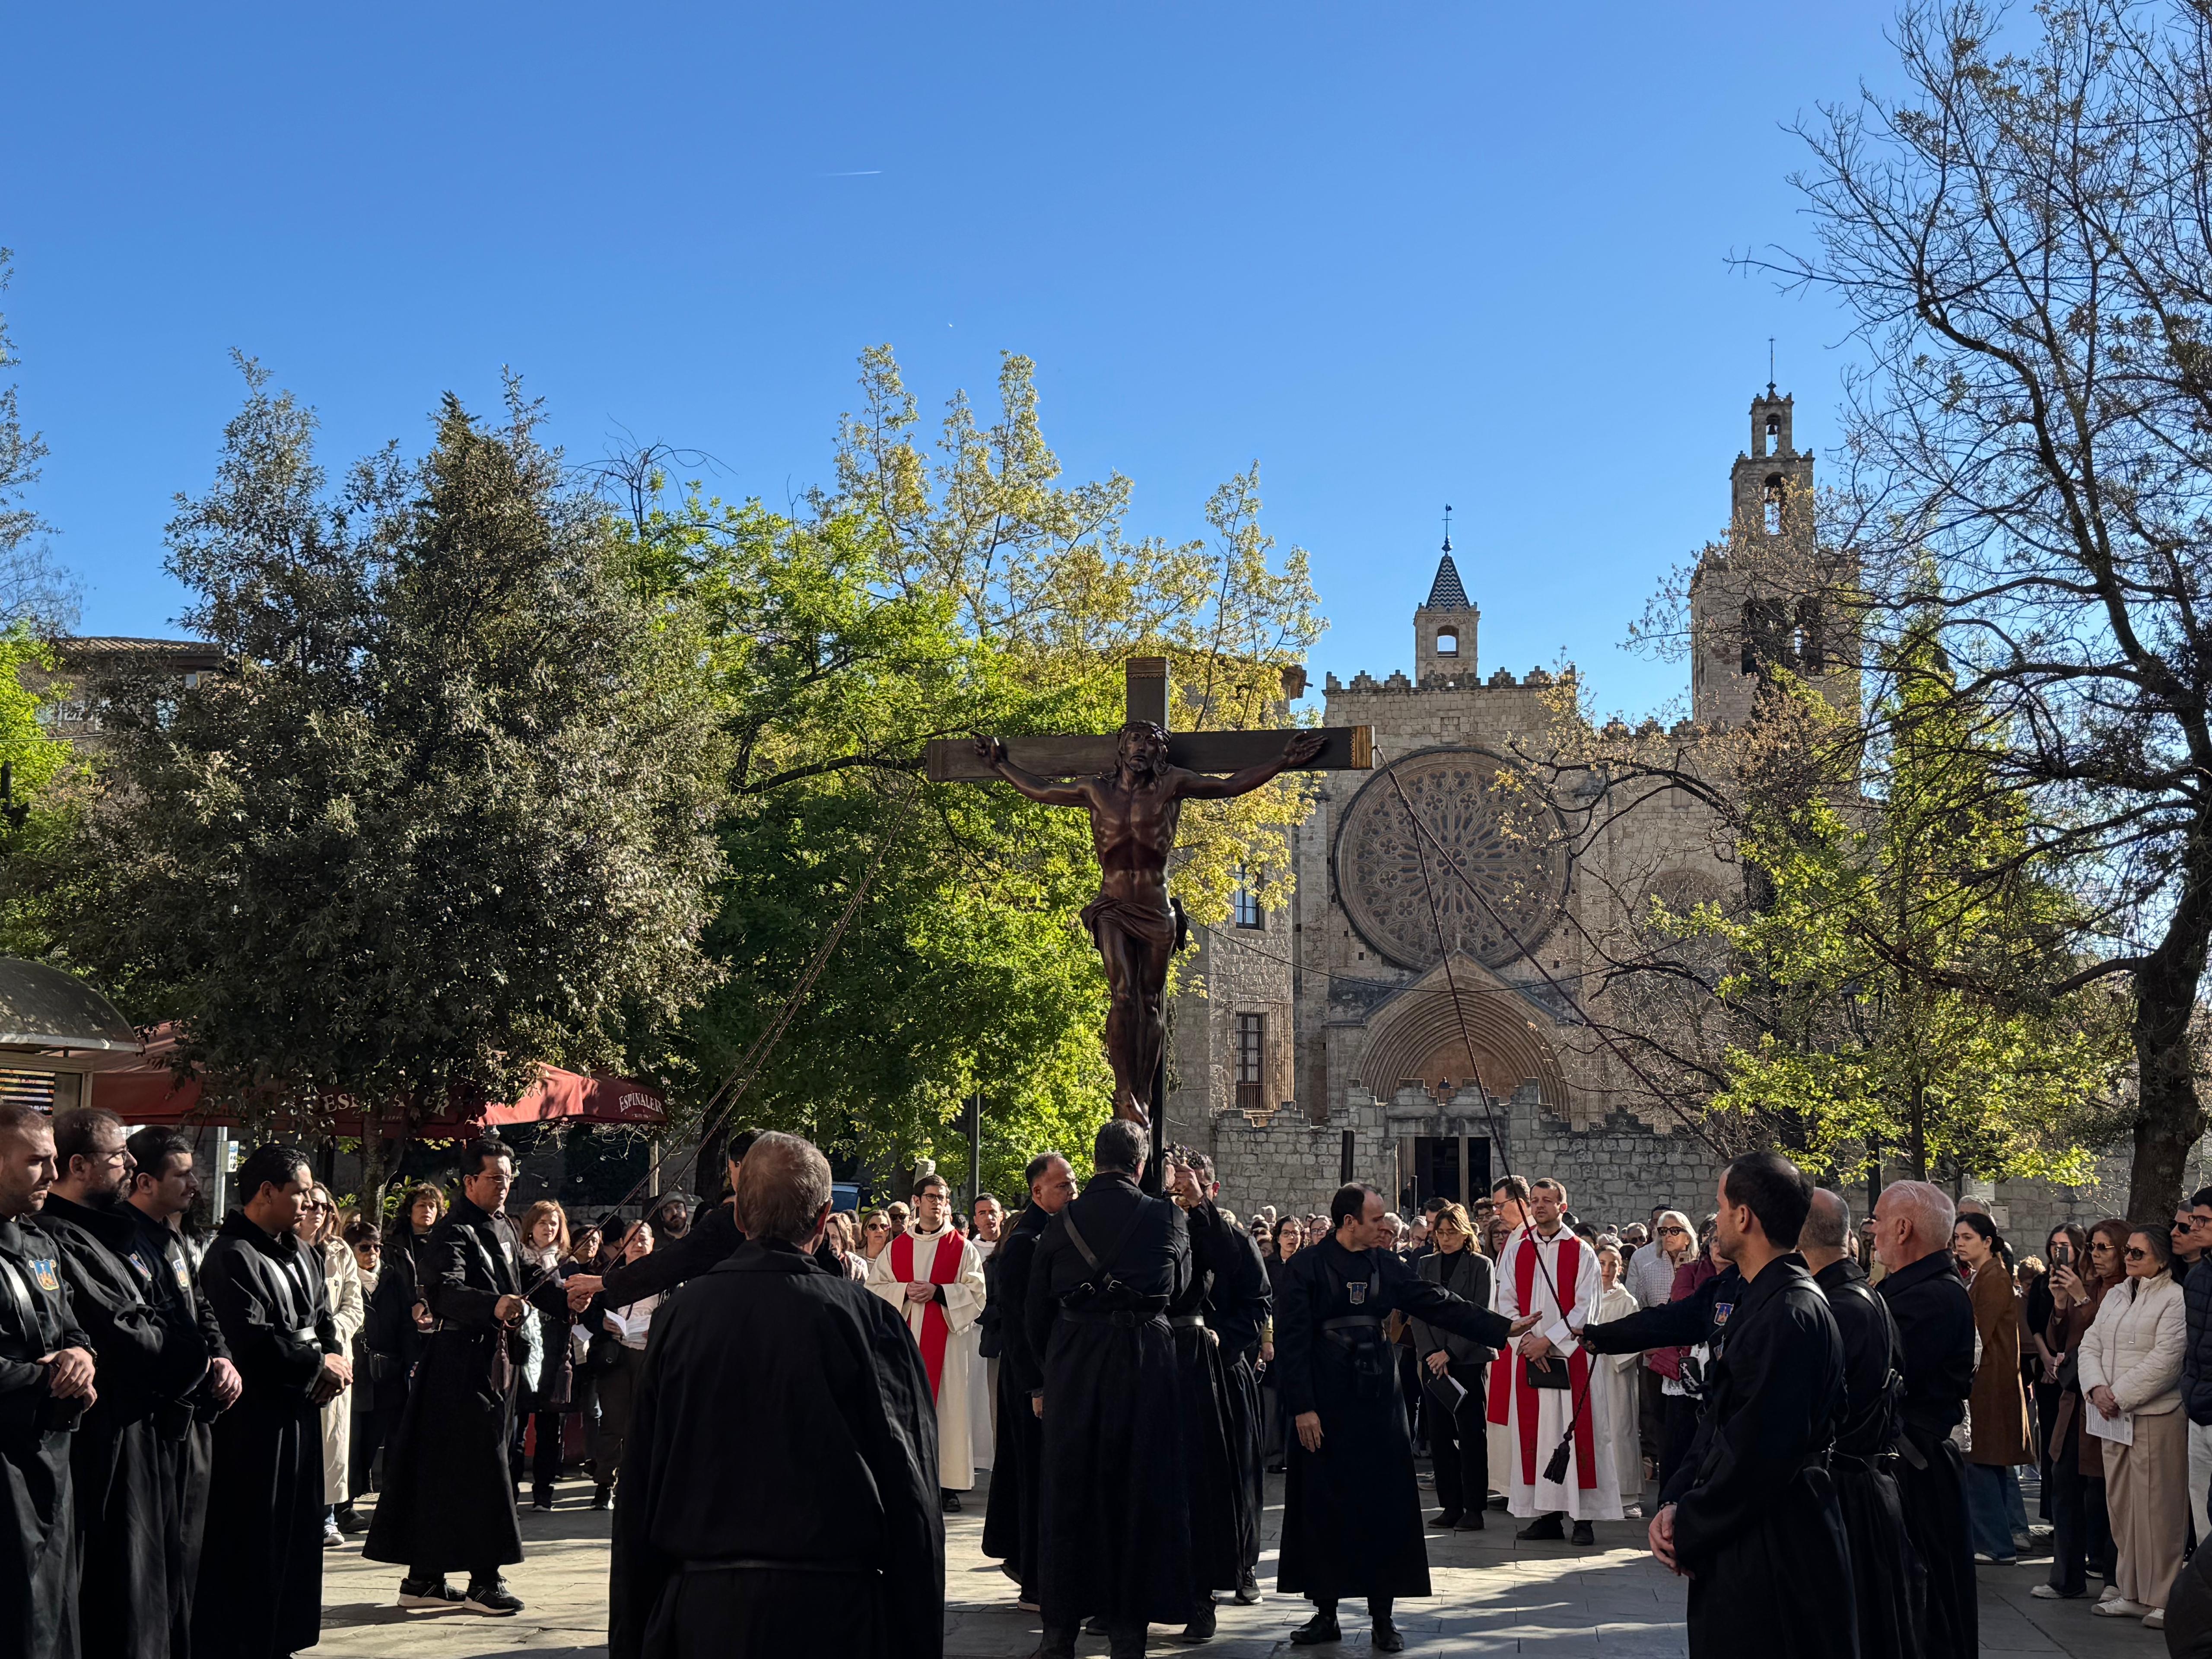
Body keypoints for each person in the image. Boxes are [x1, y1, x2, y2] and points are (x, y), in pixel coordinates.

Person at [607, 1131, 941, 1659]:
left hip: (706, 1615)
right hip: (834, 1617)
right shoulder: (868, 1320)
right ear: (823, 1217)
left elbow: (639, 1487)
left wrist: (631, 1637)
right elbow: (912, 1491)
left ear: (740, 1216)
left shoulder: (680, 1318)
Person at [1275, 1182, 1528, 1653]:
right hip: (1325, 1397)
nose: (1383, 1228)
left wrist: (1500, 1328)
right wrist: (1303, 1407)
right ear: (1349, 1222)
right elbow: (1291, 1340)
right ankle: (1325, 1613)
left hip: (1377, 1396)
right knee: (1322, 1503)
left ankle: (1382, 1618)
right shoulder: (1305, 1267)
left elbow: (1436, 1301)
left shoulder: (1385, 1265)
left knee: (1384, 1503)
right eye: (1375, 1220)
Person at [1645, 1154, 1855, 1659]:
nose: (1715, 1221)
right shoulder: (1761, 1301)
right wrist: (1675, 1501)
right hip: (1750, 1538)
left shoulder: (1790, 1312)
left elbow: (1759, 1453)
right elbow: (1720, 1418)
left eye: (1720, 1207)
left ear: (1743, 1217)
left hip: (1774, 1547)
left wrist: (1689, 1526)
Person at [34, 1108, 210, 1656]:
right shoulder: (57, 1236)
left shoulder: (120, 1231)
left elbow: (168, 1309)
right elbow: (121, 1331)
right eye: (117, 1156)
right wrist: (191, 1355)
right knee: (118, 1590)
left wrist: (201, 1353)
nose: (130, 1165)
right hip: (106, 1435)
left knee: (157, 1582)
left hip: (151, 1425)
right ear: (79, 1166)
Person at [365, 1136, 565, 1615]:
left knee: (448, 1472)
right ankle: (484, 1579)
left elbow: (527, 1280)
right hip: (458, 1365)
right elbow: (444, 1292)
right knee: (483, 1469)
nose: (503, 1186)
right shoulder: (452, 1232)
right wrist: (492, 1305)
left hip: (496, 1365)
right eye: (495, 1178)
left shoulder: (506, 1226)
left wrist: (569, 1297)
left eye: (508, 1178)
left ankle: (424, 1578)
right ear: (470, 1180)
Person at [1023, 1119, 1192, 1659]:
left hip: (1075, 1362)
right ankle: (1127, 1635)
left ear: (1094, 1161)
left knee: (1068, 1495)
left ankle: (1059, 1634)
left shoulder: (1062, 1221)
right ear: (1140, 1165)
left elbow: (1034, 1310)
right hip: (1144, 1362)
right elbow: (1181, 1289)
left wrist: (1052, 1369)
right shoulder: (1167, 1216)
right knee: (1138, 1495)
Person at [194, 1143, 346, 1659]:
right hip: (256, 1418)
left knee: (298, 1530)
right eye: (299, 1193)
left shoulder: (303, 1251)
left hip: (303, 1408)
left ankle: (287, 1635)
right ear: (266, 1192)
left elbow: (323, 1319)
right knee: (256, 1529)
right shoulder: (231, 1255)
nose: (309, 1203)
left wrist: (332, 1358)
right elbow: (249, 1338)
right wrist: (314, 1366)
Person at [119, 1125, 241, 1653]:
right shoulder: (123, 1241)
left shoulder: (174, 1239)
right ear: (145, 1182)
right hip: (154, 1420)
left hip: (196, 1414)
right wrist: (197, 1361)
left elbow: (201, 1309)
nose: (194, 1185)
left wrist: (222, 1356)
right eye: (183, 1175)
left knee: (190, 1547)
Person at [1799, 1187, 1922, 1659]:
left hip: (1849, 1493)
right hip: (1863, 1488)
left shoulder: (1840, 1307)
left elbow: (1827, 1413)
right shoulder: (1857, 1296)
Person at [0, 1104, 95, 1659]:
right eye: (37, 1161)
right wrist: (47, 1377)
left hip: (52, 1456)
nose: (54, 1175)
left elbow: (70, 1325)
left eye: (55, 1160)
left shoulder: (39, 1242)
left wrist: (81, 1355)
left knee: (55, 1609)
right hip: (4, 1461)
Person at [1872, 1179, 1977, 1659]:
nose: (1872, 1231)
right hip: (1908, 1463)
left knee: (1928, 1604)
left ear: (1902, 1229)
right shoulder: (1910, 1289)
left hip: (1918, 1467)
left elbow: (1882, 1380)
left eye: (1878, 1220)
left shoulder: (1932, 1297)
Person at [1492, 1177, 1621, 1543]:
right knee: (1537, 1436)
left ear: (1563, 1207)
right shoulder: (1519, 1249)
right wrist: (1525, 1340)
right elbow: (1505, 1300)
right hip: (1530, 1357)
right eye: (1535, 1200)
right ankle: (1546, 1516)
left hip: (1571, 1359)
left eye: (1547, 1200)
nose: (1540, 1206)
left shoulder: (1581, 1253)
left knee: (1576, 1435)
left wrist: (1548, 1342)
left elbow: (1587, 1307)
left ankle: (1583, 1520)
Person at [1160, 1150, 1255, 1640]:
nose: (1180, 1193)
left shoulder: (1227, 1235)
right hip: (1158, 1366)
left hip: (1219, 1370)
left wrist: (1222, 1342)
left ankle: (1233, 1570)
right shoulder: (1153, 1227)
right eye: (1174, 1185)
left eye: (1190, 1186)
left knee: (1222, 1479)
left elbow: (1253, 1297)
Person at [2079, 1220, 2187, 1629]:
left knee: (2159, 1509)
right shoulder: (2117, 1295)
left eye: (2137, 1253)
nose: (2128, 1257)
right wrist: (2096, 1388)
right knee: (2122, 1506)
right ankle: (2131, 1591)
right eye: (2128, 1251)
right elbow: (2090, 1344)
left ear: (2161, 1259)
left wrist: (2118, 1395)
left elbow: (2167, 1359)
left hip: (2155, 1416)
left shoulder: (2175, 1298)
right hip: (2112, 1418)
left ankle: (2163, 1596)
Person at [982, 1152, 1076, 1612]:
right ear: (1037, 1191)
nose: (1071, 1192)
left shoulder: (1055, 1232)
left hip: (1044, 1376)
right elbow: (1019, 1324)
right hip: (1029, 1382)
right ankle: (1034, 1582)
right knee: (1033, 1477)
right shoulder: (1024, 1242)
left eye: (1072, 1183)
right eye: (1062, 1186)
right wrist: (1037, 1386)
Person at [866, 1173, 987, 1513]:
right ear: (917, 1201)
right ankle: (907, 1479)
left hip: (947, 1346)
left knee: (948, 1410)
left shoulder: (962, 1249)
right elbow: (874, 1291)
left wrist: (939, 1293)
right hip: (906, 1346)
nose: (938, 1203)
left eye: (943, 1197)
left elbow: (978, 1294)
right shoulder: (896, 1249)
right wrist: (903, 1290)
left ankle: (947, 1485)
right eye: (932, 1196)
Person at [2037, 1220, 2122, 1602]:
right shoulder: (2085, 1286)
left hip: (2107, 1403)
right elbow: (2062, 1342)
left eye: (2105, 1247)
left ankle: (2113, 1577)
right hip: (2074, 1402)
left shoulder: (2124, 1291)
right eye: (2093, 1247)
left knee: (2105, 1492)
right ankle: (2066, 1577)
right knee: (2065, 1484)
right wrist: (2060, 1303)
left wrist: (2082, 1301)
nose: (2096, 1255)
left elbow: (2102, 1336)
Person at [1409, 1201, 1494, 1532]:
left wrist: (1449, 1352)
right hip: (1433, 1360)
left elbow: (1479, 1312)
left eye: (1452, 1233)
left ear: (1465, 1233)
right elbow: (1418, 1312)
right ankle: (1450, 1505)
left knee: (1471, 1434)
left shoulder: (1481, 1266)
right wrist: (1431, 1353)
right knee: (1440, 1434)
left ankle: (1474, 1507)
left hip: (1467, 1359)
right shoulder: (1426, 1265)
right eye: (1441, 1233)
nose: (1445, 1239)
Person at [1953, 1210, 2031, 1564]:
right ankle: (2000, 1540)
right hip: (1988, 1378)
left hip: (1990, 1380)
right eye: (1957, 1237)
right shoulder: (1983, 1275)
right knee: (1988, 1462)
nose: (1960, 1244)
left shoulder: (1994, 1276)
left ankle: (1995, 1544)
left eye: (1967, 1237)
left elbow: (1978, 1331)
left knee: (1982, 1460)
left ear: (1987, 1242)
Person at [299, 1181, 365, 1548]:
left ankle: (326, 1517)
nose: (316, 1212)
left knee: (330, 1440)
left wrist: (330, 1336)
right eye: (311, 1205)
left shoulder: (339, 1251)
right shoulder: (281, 1247)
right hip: (296, 1356)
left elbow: (354, 1305)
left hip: (335, 1356)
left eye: (323, 1207)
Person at [587, 1219, 661, 1510]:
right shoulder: (610, 1278)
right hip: (616, 1355)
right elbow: (591, 1313)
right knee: (613, 1422)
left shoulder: (665, 1278)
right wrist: (602, 1323)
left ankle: (640, 1485)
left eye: (644, 1239)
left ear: (653, 1244)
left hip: (650, 1356)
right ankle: (605, 1483)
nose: (638, 1244)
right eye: (633, 1239)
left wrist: (660, 1329)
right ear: (622, 1246)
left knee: (646, 1423)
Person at [512, 1199, 575, 1510]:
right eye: (542, 1223)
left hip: (555, 1350)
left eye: (554, 1223)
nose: (548, 1229)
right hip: (523, 1348)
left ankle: (543, 1493)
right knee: (517, 1425)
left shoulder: (568, 1262)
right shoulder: (518, 1260)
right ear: (530, 1226)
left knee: (551, 1426)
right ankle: (511, 1491)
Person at [1626, 1209, 1693, 1483]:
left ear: (1688, 1236)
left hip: (1690, 1358)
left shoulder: (1701, 1269)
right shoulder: (1650, 1270)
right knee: (1658, 1419)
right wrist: (1647, 1344)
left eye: (1675, 1230)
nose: (1668, 1236)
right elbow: (1639, 1311)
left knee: (1688, 1422)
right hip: (1656, 1358)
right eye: (1663, 1231)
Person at [1592, 1243, 1642, 1515]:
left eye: (1613, 1264)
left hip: (1616, 1373)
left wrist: (1608, 1348)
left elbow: (1634, 1339)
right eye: (1602, 1263)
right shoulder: (1586, 1296)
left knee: (1620, 1429)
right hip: (1590, 1371)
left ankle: (1626, 1494)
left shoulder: (1627, 1302)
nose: (1607, 1269)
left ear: (1620, 1269)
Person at [339, 1216, 381, 1531]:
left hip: (382, 1371)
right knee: (349, 1440)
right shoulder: (344, 1276)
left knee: (371, 1439)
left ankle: (354, 1497)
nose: (373, 1253)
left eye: (377, 1247)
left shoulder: (389, 1277)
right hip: (353, 1366)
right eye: (365, 1248)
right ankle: (344, 1506)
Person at [2179, 1185, 2212, 1554]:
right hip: (2197, 1408)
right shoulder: (2198, 1275)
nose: (2194, 1227)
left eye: (2203, 1220)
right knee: (2202, 1516)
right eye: (2194, 1219)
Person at [968, 1192, 1004, 1471]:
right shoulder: (967, 1251)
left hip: (999, 1334)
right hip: (971, 1335)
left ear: (1001, 1215)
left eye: (993, 1212)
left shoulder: (1009, 1248)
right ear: (975, 1219)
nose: (989, 1218)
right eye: (982, 1213)